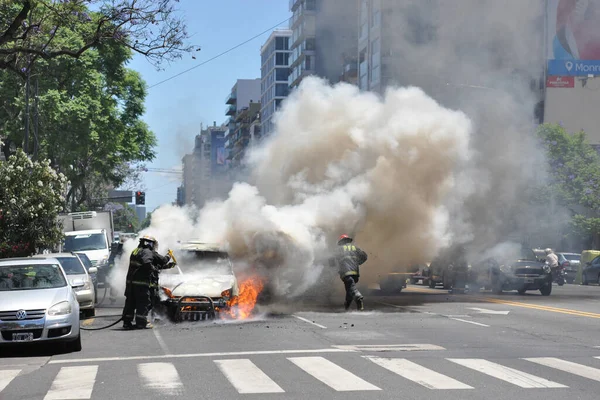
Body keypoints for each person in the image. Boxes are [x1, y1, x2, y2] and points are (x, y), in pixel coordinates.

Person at [121, 235, 173, 329]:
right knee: (143, 303)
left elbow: (151, 265)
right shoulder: (147, 252)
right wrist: (169, 255)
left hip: (131, 284)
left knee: (130, 303)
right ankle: (141, 323)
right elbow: (150, 263)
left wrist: (166, 266)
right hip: (141, 284)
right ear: (150, 244)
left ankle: (126, 323)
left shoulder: (136, 251)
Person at [332, 234, 368, 311]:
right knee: (349, 289)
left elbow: (332, 259)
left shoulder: (340, 249)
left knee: (352, 289)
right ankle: (347, 306)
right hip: (355, 272)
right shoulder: (355, 248)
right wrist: (358, 263)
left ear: (341, 242)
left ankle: (359, 298)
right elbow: (365, 256)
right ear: (348, 241)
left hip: (346, 272)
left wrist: (333, 266)